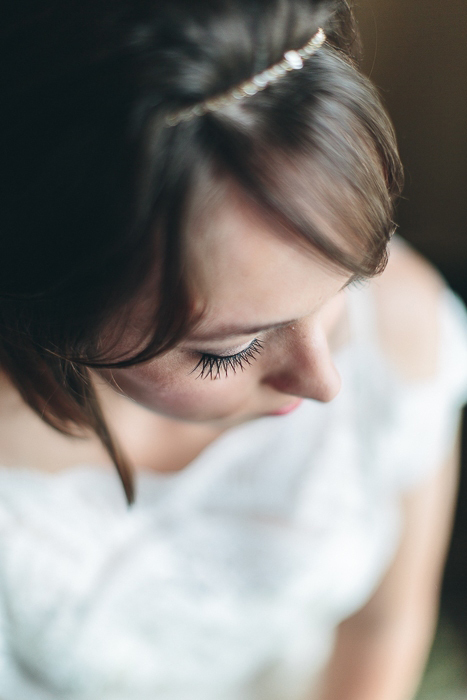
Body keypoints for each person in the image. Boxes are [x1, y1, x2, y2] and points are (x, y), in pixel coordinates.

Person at [0, 1, 466, 699]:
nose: (324, 381)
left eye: (344, 287)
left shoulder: (404, 334)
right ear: (55, 297)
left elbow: (382, 626)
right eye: (228, 351)